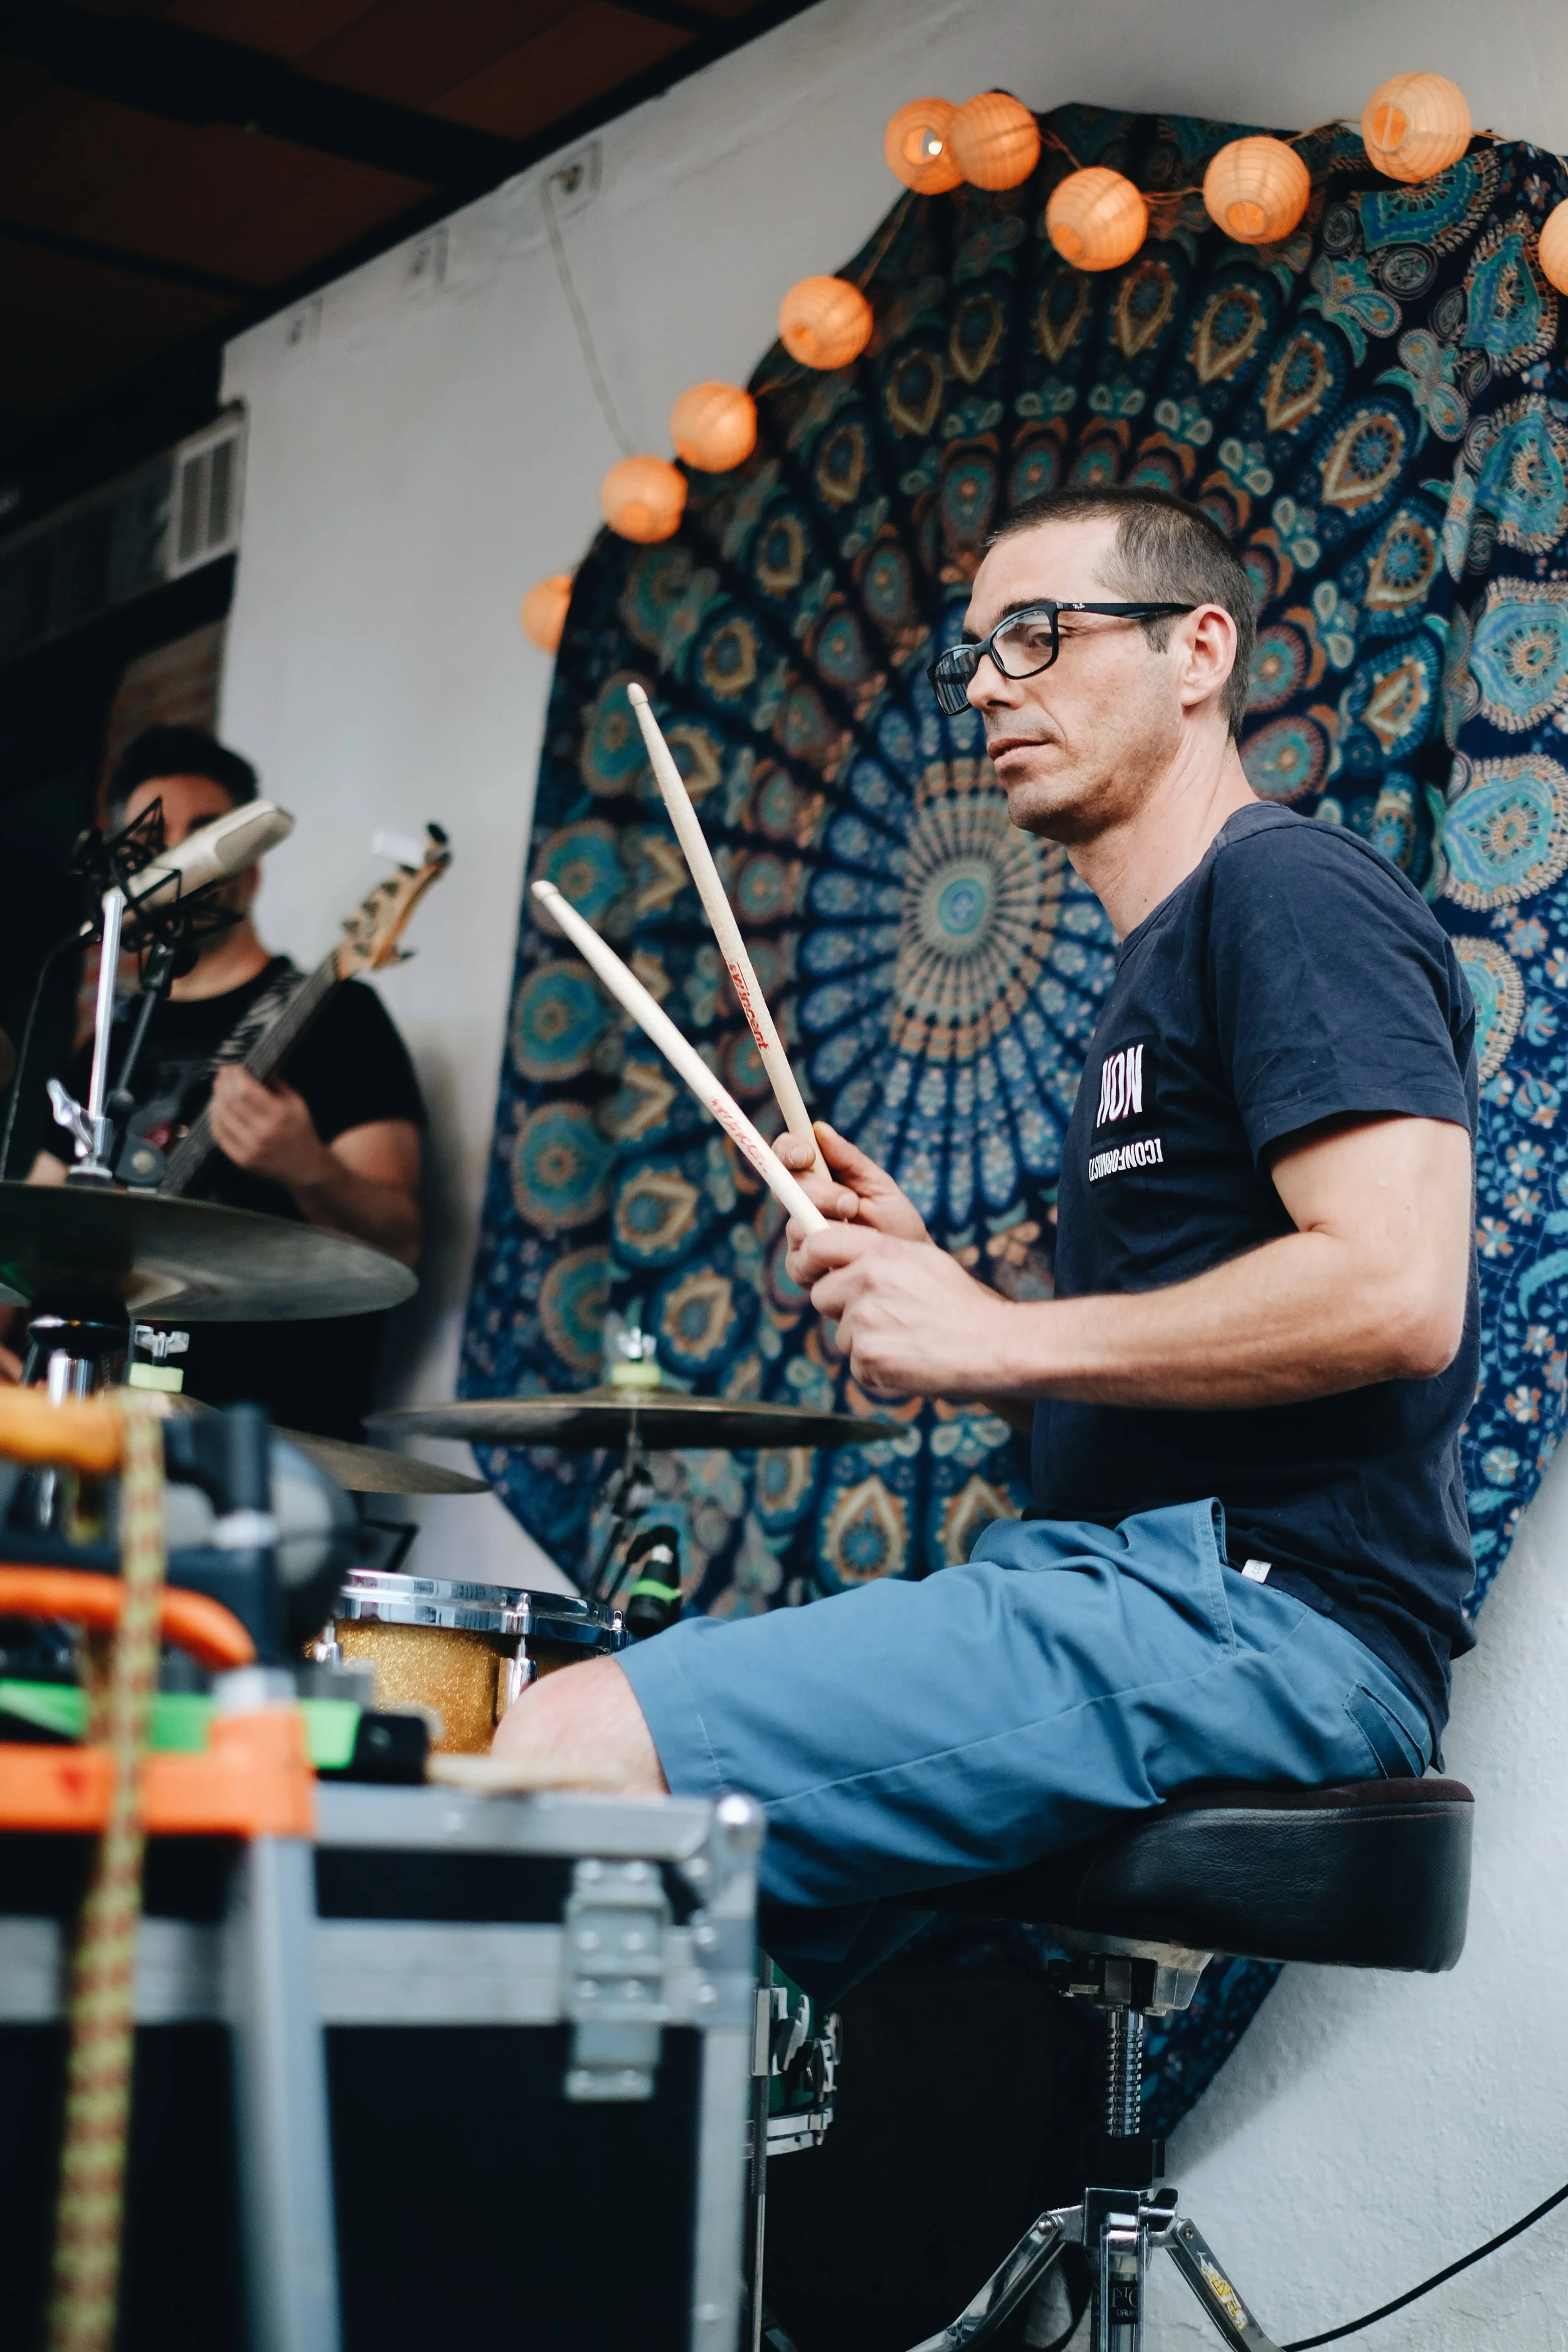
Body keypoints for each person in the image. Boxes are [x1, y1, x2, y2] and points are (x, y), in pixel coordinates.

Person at [494, 485, 1477, 1993]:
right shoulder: (1146, 975)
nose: (989, 687)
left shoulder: (1279, 891)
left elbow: (1398, 1287)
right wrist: (965, 1303)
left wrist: (999, 1336)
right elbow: (1209, 1343)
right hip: (1138, 1586)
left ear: (1198, 648)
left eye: (1038, 634)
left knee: (569, 1745)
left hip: (1267, 1613)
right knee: (713, 1934)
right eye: (973, 655)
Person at [31, 724, 425, 1439]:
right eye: (155, 844)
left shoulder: (341, 1018)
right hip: (91, 1426)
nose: (183, 859)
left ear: (253, 867)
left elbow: (401, 1240)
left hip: (264, 1437)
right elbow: (32, 1232)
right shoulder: (103, 1048)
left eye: (208, 834)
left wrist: (310, 1169)